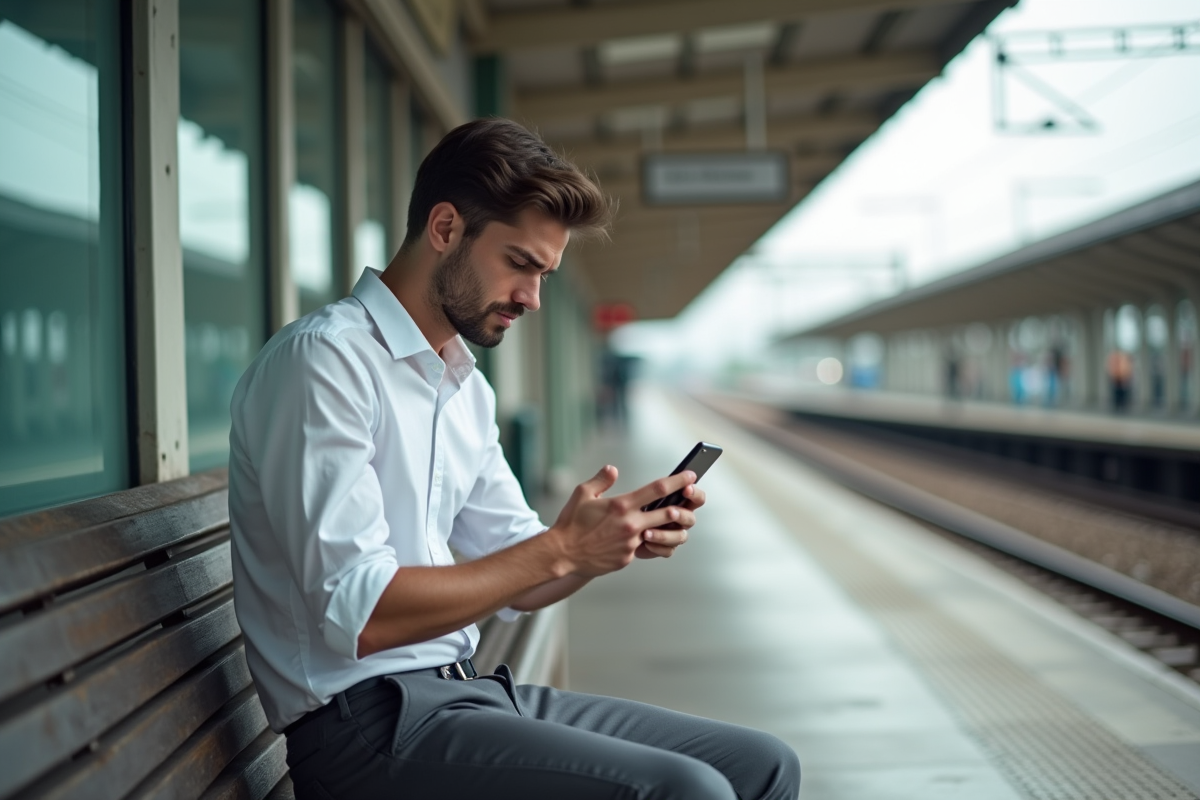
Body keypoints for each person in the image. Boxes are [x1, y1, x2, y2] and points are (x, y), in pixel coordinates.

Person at [228, 118, 800, 800]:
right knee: (687, 792)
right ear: (445, 229)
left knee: (763, 764)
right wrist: (561, 549)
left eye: (546, 274)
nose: (532, 297)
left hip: (464, 696)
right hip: (365, 734)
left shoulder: (462, 384)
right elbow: (364, 614)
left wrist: (606, 540)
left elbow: (524, 571)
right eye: (521, 264)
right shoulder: (324, 362)